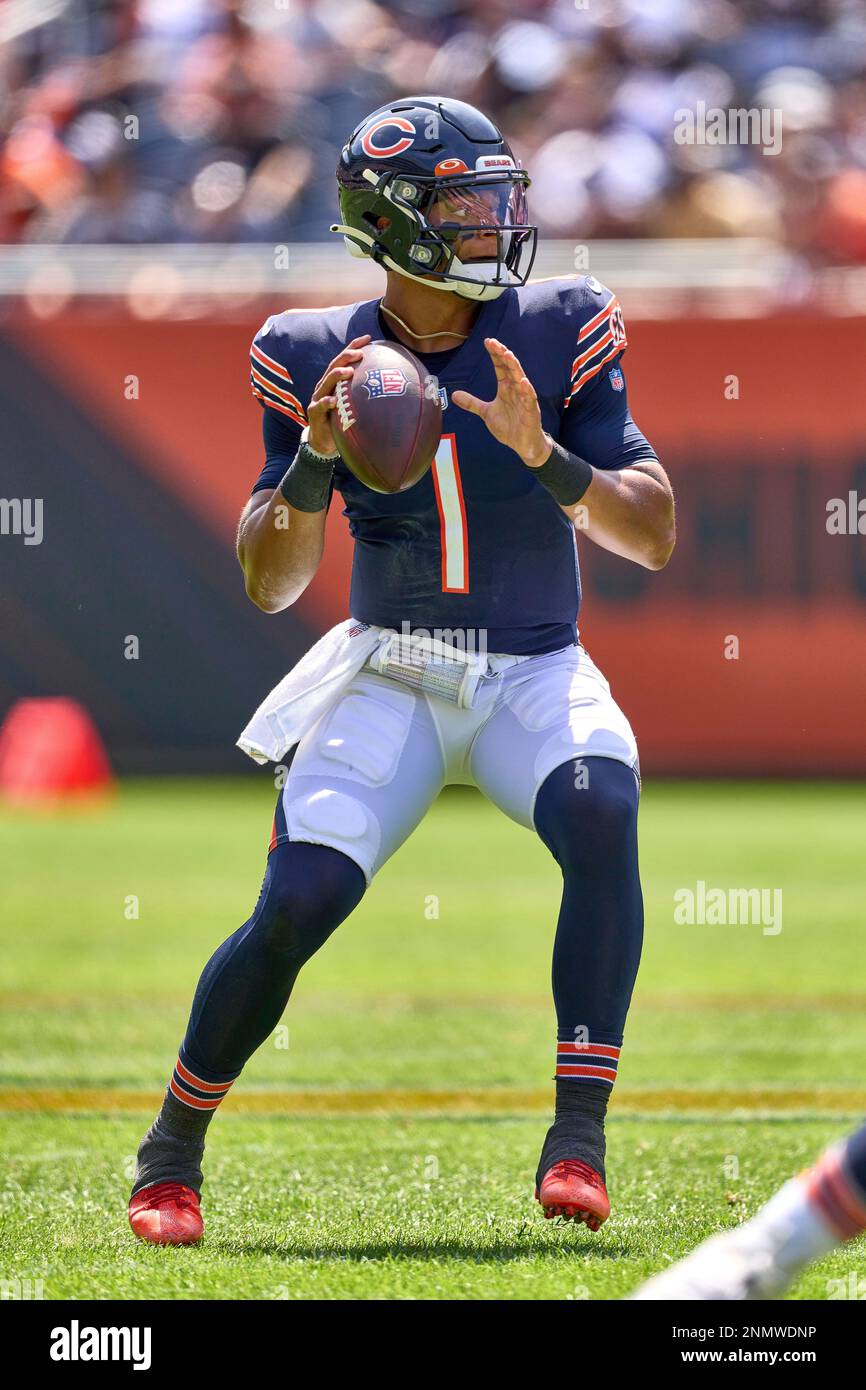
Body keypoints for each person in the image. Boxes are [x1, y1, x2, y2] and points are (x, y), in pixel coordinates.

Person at [127, 95, 674, 1246]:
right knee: (300, 900)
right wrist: (318, 464)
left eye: (499, 198)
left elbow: (652, 531)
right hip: (394, 671)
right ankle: (171, 1151)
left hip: (534, 664)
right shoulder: (305, 350)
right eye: (469, 205)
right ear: (393, 221)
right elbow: (269, 579)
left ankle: (576, 1137)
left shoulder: (565, 319)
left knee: (602, 810)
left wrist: (545, 457)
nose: (497, 223)